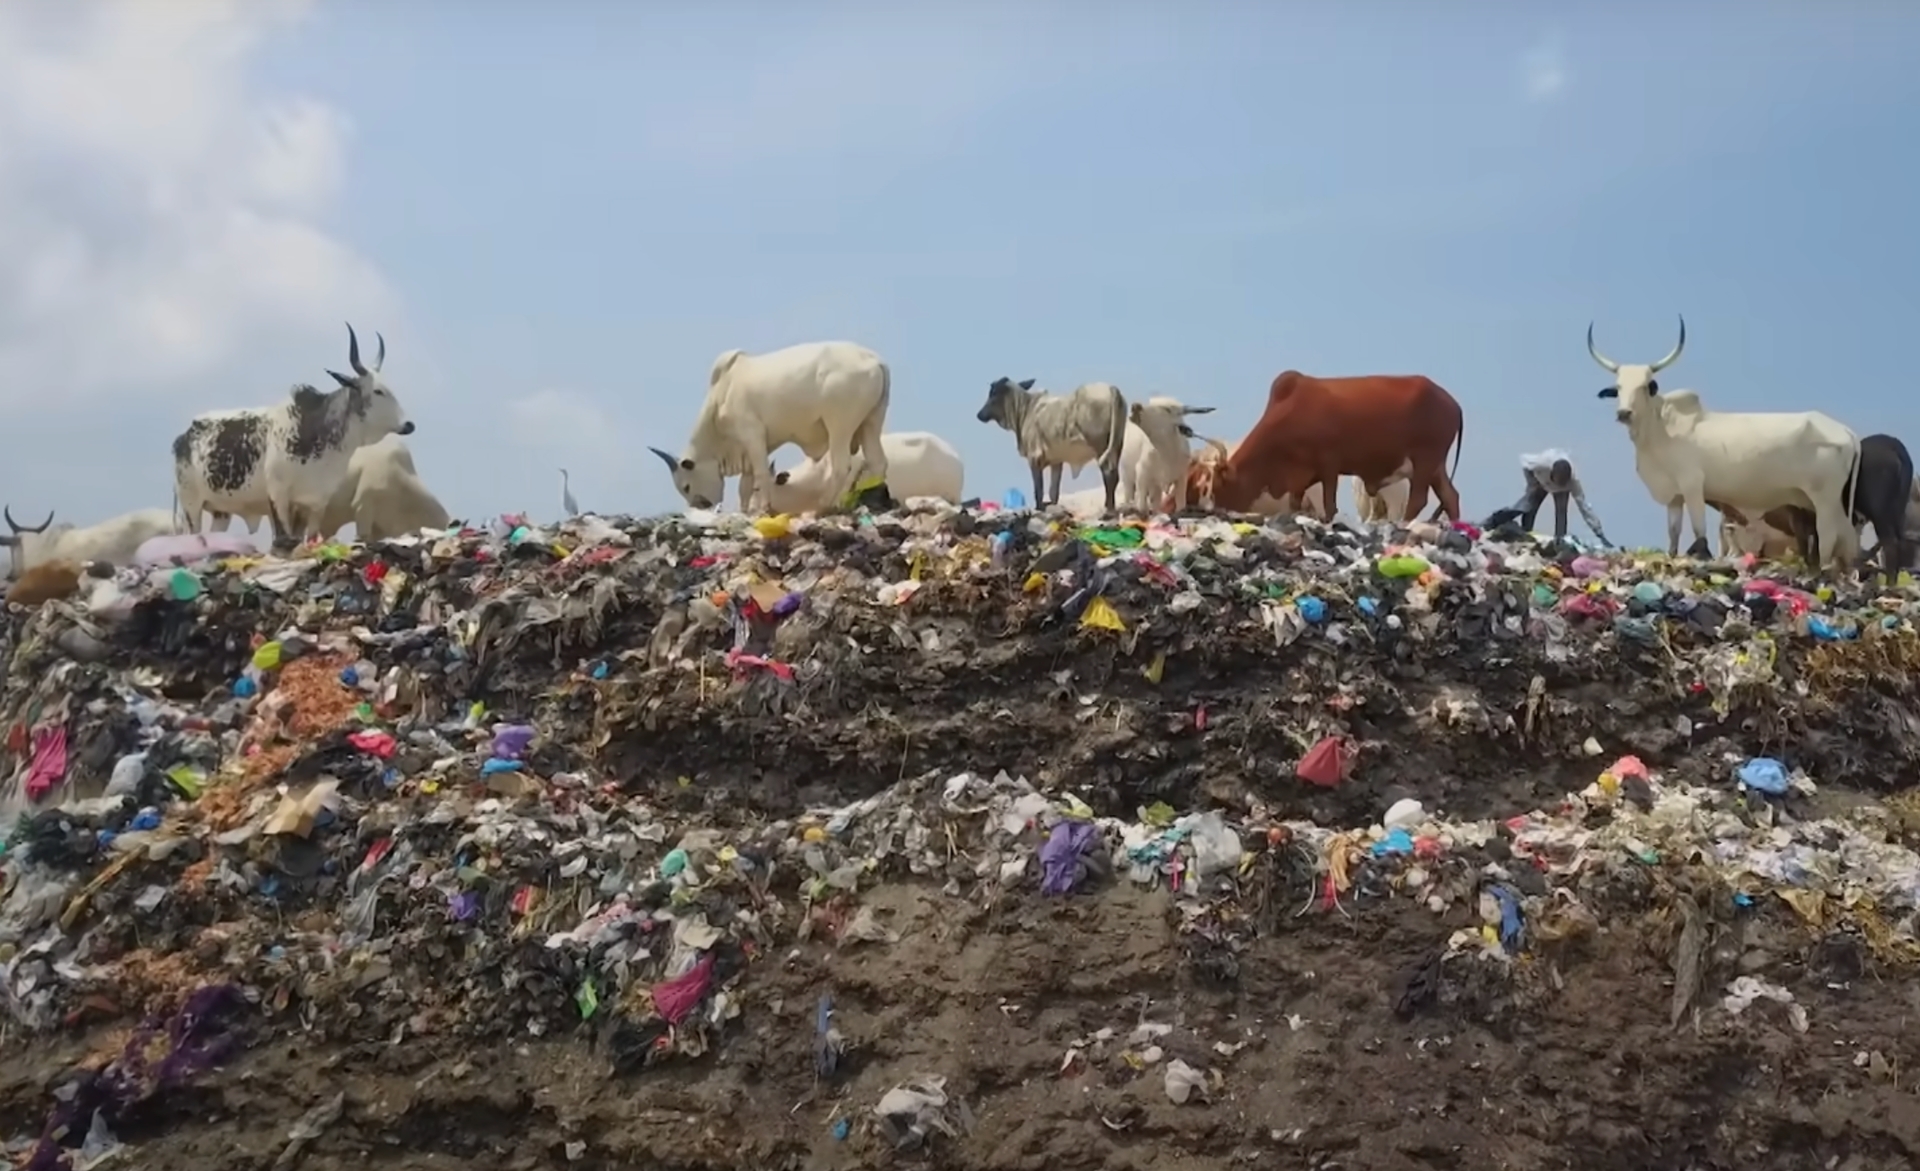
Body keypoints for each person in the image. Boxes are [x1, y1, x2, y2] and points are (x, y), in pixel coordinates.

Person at [1483, 449, 1611, 545]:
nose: (1559, 485)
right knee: (1527, 506)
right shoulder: (1542, 463)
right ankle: (1497, 523)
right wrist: (1532, 486)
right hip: (1540, 482)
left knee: (1561, 513)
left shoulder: (1573, 482)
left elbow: (1584, 507)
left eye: (1563, 483)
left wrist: (1599, 533)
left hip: (1556, 487)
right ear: (1552, 473)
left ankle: (1559, 542)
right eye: (1558, 481)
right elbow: (1524, 463)